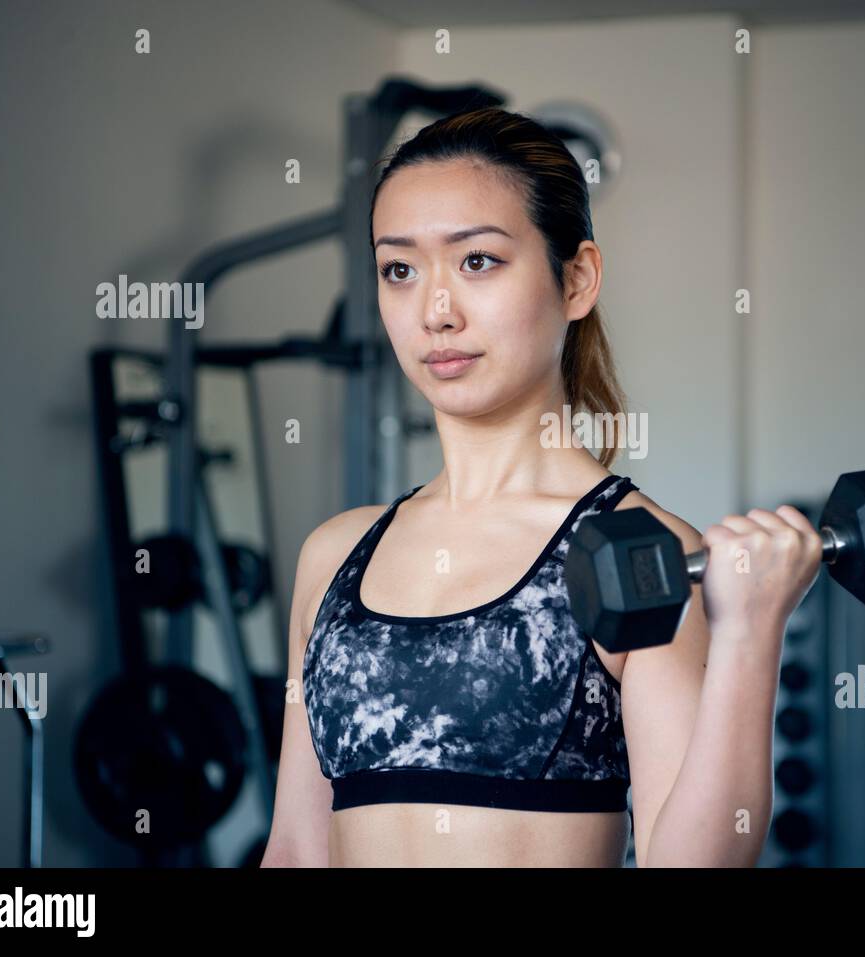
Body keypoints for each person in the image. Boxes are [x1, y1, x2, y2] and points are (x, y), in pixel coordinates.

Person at [260, 107, 822, 867]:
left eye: (478, 261)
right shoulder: (334, 555)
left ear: (578, 278)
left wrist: (751, 636)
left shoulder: (638, 554)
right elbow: (295, 848)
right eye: (400, 269)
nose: (436, 310)